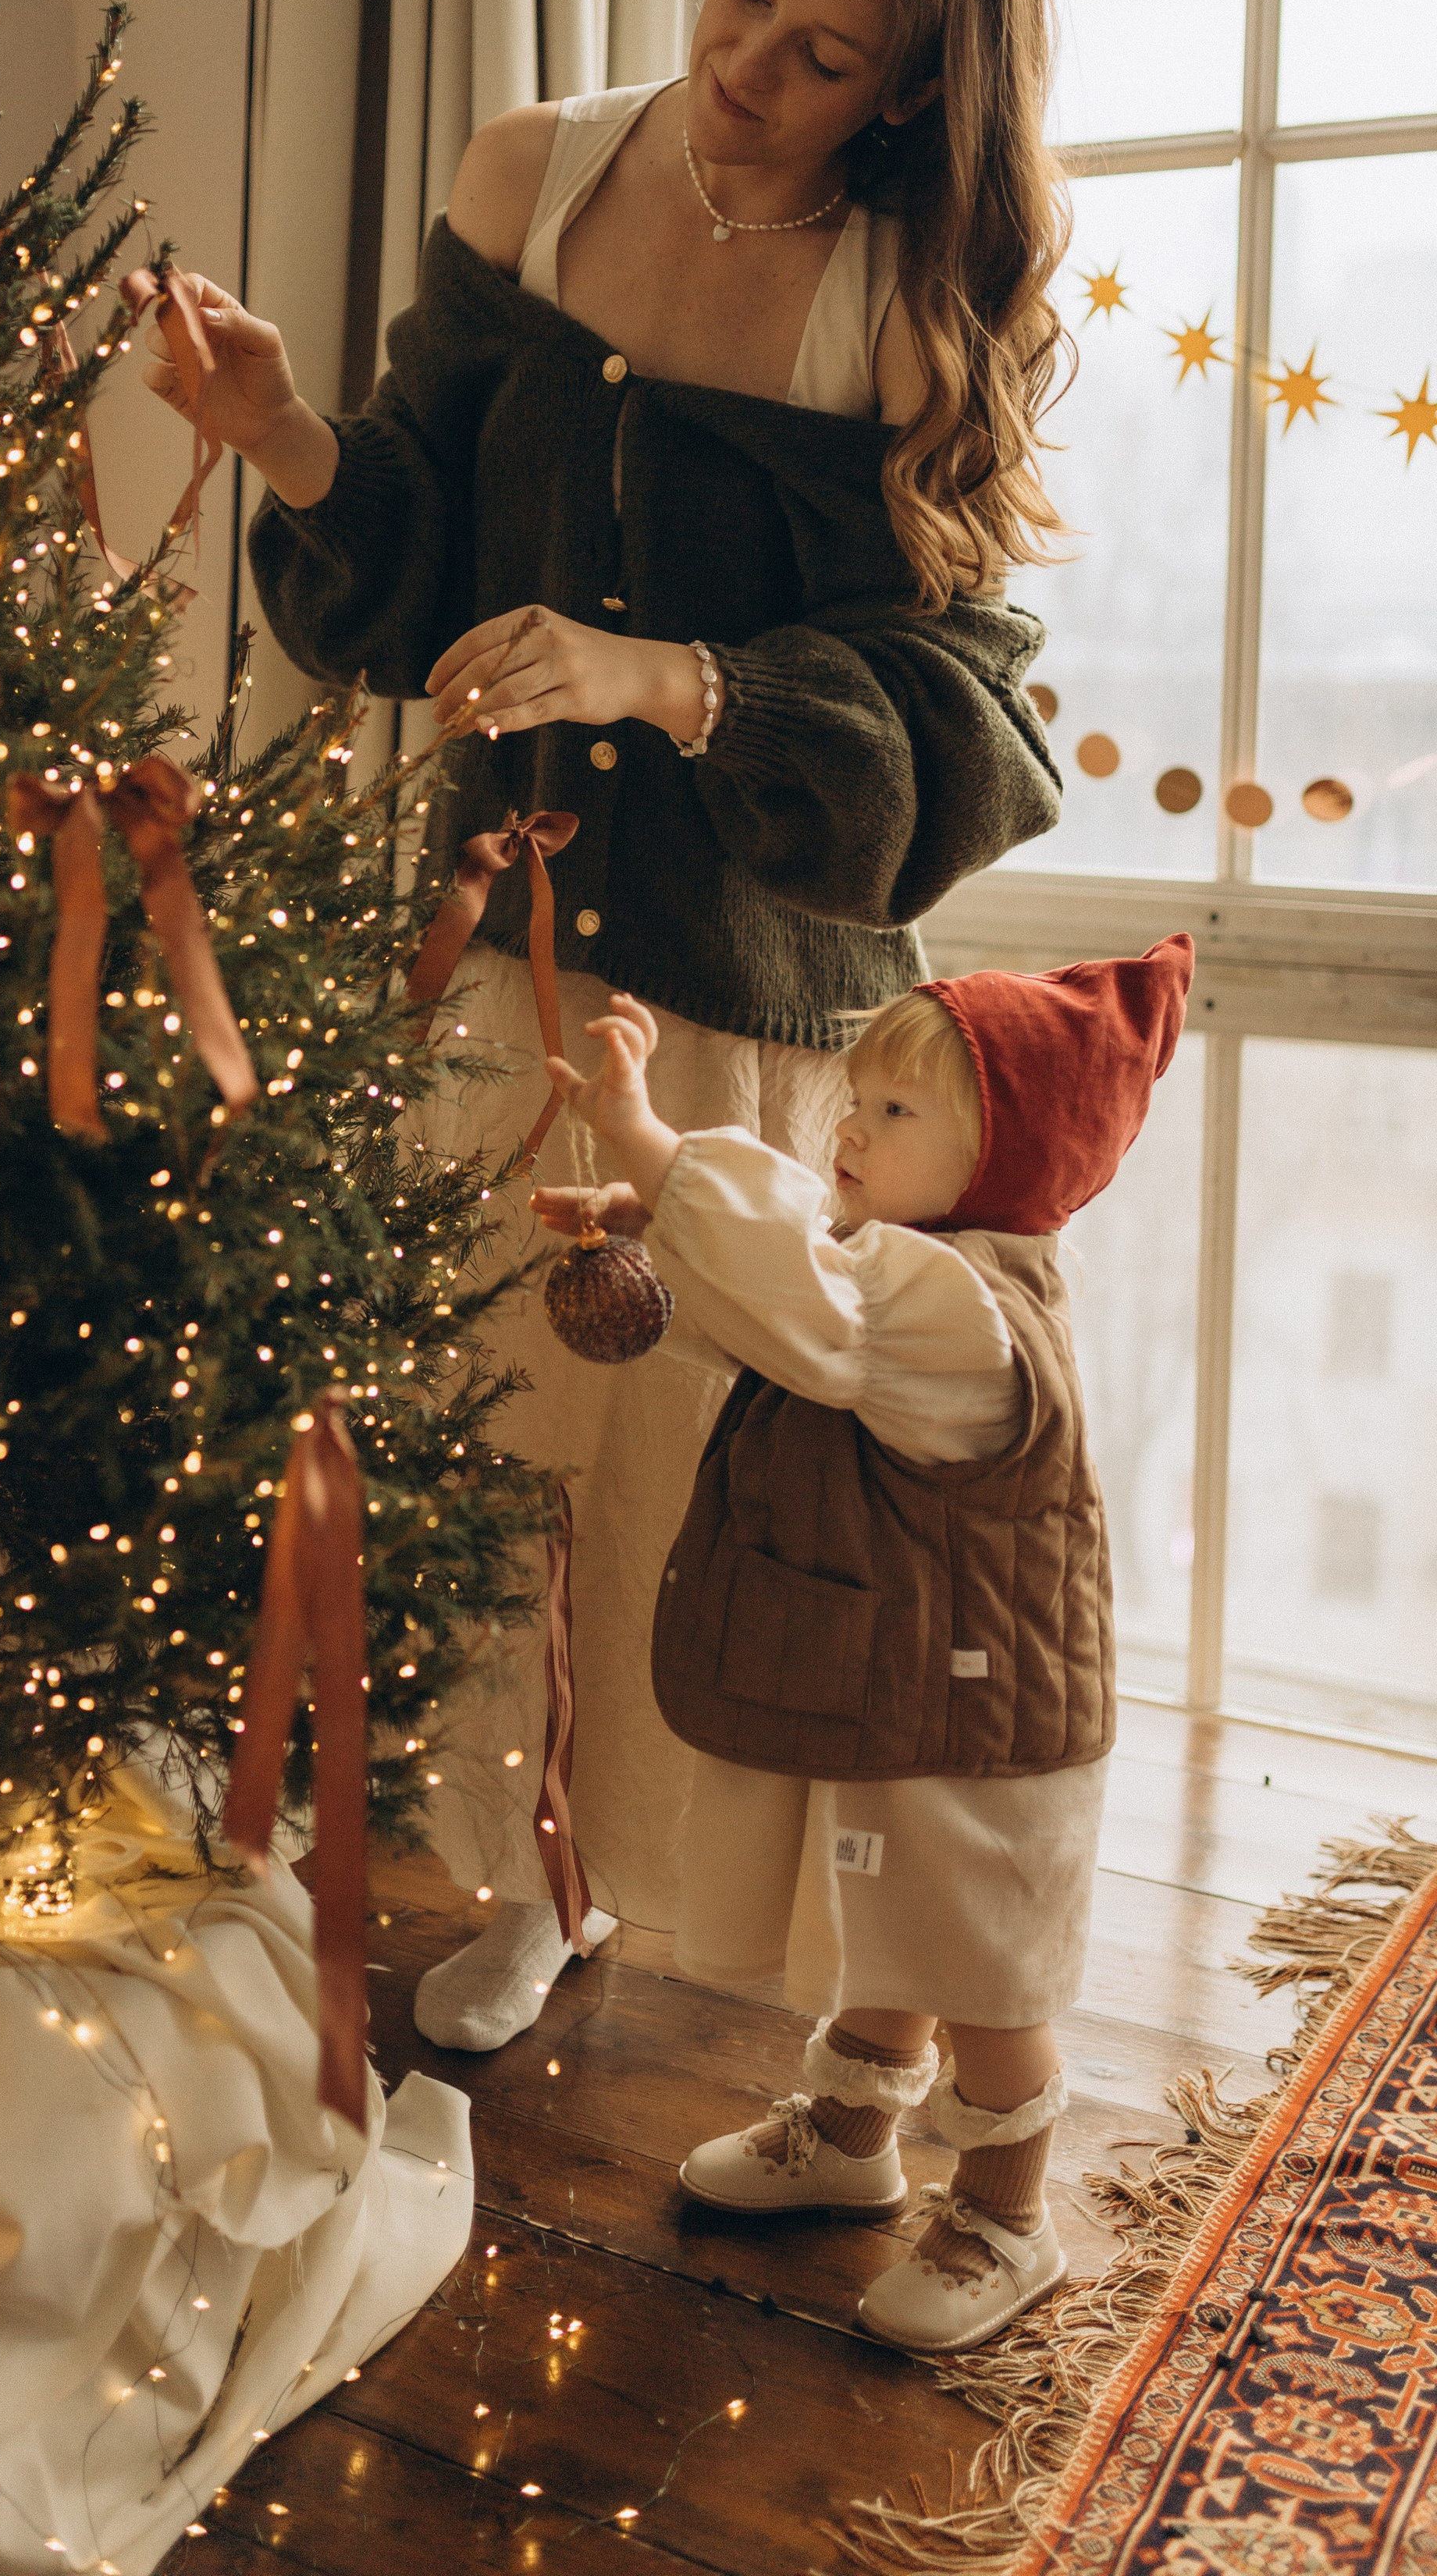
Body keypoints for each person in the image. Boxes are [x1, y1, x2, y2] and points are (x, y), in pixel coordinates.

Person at [141, 0, 1071, 2051]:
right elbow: (413, 568)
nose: (745, 64)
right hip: (503, 969)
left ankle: (765, 1942)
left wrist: (685, 681)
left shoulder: (914, 299)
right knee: (483, 1465)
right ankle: (536, 1877)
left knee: (712, 1492)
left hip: (756, 1013)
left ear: (918, 88)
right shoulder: (529, 173)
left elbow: (981, 726)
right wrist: (283, 441)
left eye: (822, 52)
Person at [530, 935, 1193, 2353]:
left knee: (985, 1970)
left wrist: (654, 1143)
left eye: (898, 1116)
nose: (852, 1127)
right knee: (885, 1915)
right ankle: (850, 2136)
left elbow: (816, 1312)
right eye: (862, 1098)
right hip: (904, 1688)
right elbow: (792, 1297)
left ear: (998, 1164)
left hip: (982, 1721)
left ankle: (1011, 2219)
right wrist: (651, 1218)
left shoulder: (970, 1312)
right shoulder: (902, 1268)